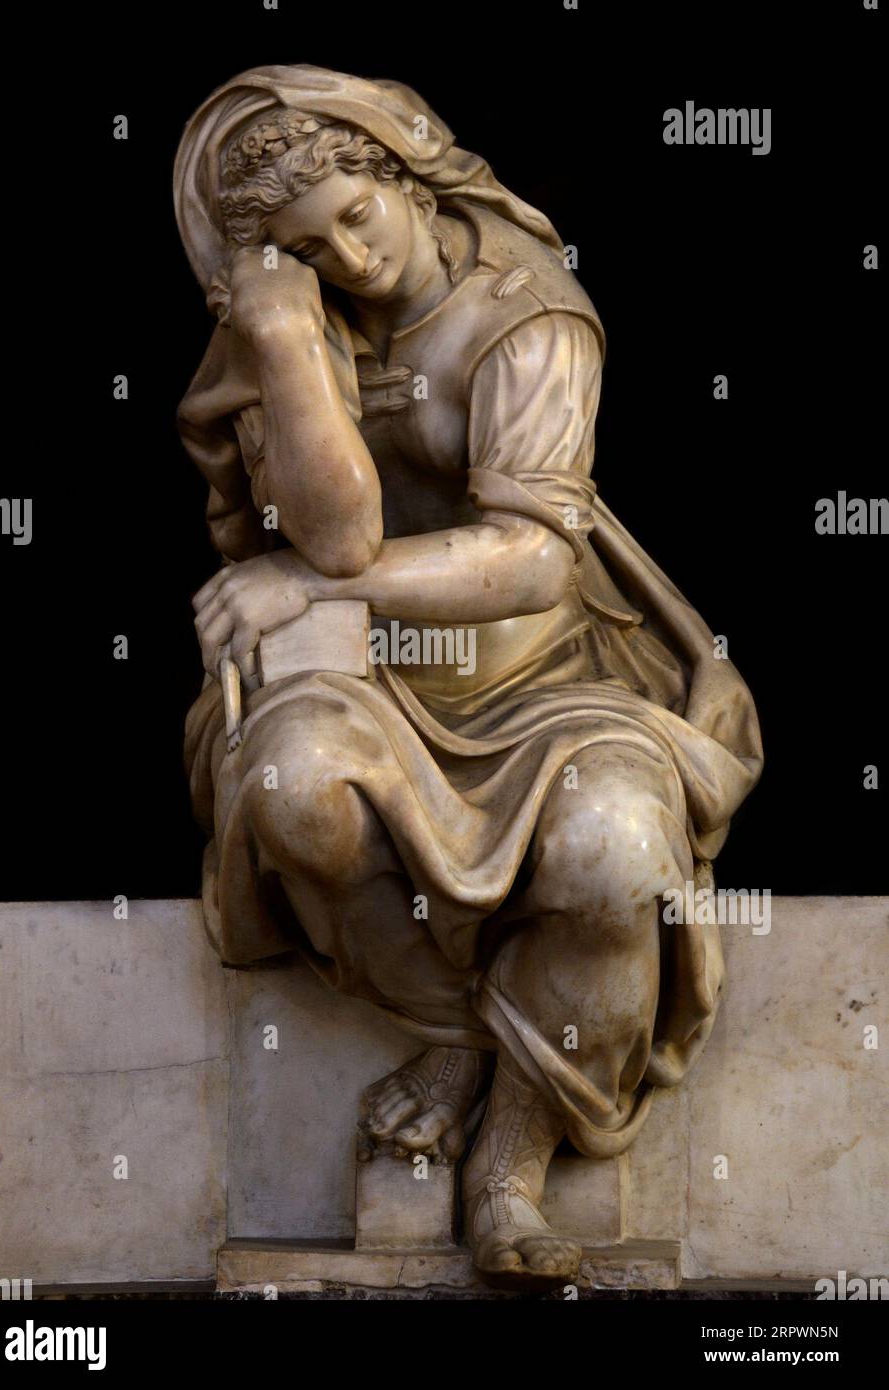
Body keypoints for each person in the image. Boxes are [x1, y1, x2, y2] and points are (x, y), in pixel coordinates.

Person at [175, 65, 763, 1283]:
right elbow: (331, 534)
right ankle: (458, 1032)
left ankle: (509, 1157)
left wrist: (318, 586)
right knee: (288, 785)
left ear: (404, 172)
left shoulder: (529, 314)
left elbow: (533, 563)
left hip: (551, 669)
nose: (348, 255)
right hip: (364, 671)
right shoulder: (298, 320)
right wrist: (283, 333)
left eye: (356, 212)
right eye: (305, 249)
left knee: (610, 843)